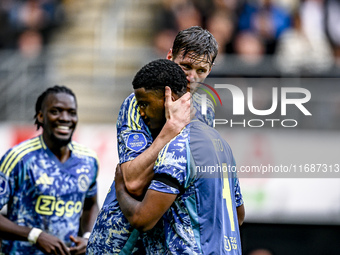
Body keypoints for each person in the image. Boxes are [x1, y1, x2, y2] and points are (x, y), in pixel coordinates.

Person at [87, 26, 244, 253]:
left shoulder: (206, 107)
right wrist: (170, 130)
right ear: (170, 56)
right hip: (120, 238)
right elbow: (132, 181)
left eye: (202, 70)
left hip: (166, 237)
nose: (192, 76)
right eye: (186, 66)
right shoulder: (137, 103)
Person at [115, 58, 242, 254]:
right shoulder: (221, 143)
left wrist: (120, 188)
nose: (141, 112)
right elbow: (239, 215)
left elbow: (143, 219)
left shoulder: (177, 147)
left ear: (169, 97)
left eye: (145, 103)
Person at [0, 85, 99, 255]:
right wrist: (35, 235)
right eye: (56, 111)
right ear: (40, 116)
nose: (65, 118)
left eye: (71, 112)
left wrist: (89, 237)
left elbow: (90, 206)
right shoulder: (19, 158)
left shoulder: (88, 160)